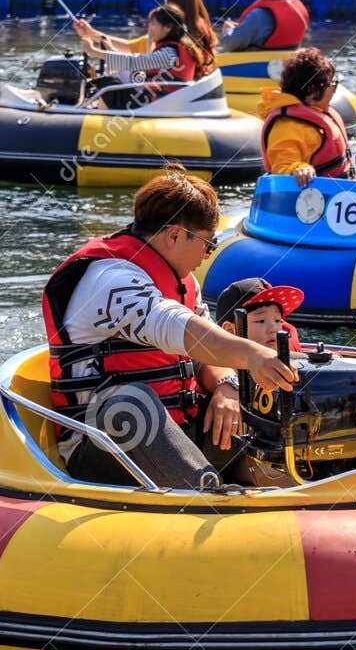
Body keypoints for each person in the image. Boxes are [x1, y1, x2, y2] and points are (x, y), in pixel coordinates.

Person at [42, 172, 298, 491]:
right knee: (130, 402)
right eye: (208, 244)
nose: (207, 256)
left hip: (180, 436)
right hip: (107, 452)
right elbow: (173, 326)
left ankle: (288, 483)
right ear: (175, 236)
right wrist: (251, 353)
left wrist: (227, 385)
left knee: (245, 397)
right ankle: (207, 496)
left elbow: (203, 354)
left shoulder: (184, 283)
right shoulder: (110, 280)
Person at [74, 3, 204, 109]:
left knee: (107, 84)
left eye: (153, 24)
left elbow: (135, 63)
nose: (149, 28)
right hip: (163, 101)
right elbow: (138, 65)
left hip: (157, 105)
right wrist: (94, 36)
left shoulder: (170, 53)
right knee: (116, 80)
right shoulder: (179, 47)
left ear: (167, 27)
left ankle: (97, 123)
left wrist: (93, 51)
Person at [258, 48, 354, 187]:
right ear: (312, 90)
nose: (334, 90)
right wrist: (298, 169)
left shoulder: (322, 113)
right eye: (331, 85)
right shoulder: (286, 126)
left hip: (340, 197)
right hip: (311, 202)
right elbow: (282, 166)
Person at [215, 278, 303, 349]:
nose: (274, 329)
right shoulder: (218, 369)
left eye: (277, 320)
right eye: (261, 321)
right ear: (230, 330)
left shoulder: (290, 362)